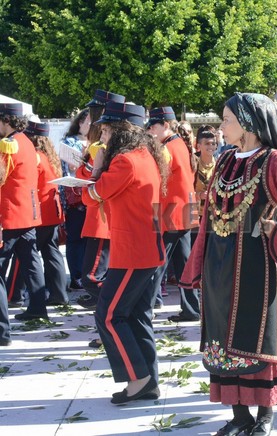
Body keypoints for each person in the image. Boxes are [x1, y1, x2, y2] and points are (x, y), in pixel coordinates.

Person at [179, 93, 277, 436]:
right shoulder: (226, 159)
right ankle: (240, 416)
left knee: (256, 338)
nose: (221, 126)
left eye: (227, 120)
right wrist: (199, 259)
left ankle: (265, 417)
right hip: (218, 265)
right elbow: (210, 214)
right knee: (222, 339)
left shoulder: (273, 161)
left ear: (248, 125)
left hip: (256, 265)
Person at [84, 101, 166, 404]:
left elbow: (91, 196)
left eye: (106, 130)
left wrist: (97, 167)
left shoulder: (125, 161)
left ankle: (138, 379)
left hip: (133, 251)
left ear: (120, 131)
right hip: (143, 249)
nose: (102, 136)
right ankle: (148, 381)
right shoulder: (143, 155)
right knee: (136, 316)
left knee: (108, 316)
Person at [0, 103, 49, 347]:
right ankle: (38, 308)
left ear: (6, 121)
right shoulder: (27, 141)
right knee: (31, 262)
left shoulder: (8, 144)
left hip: (9, 214)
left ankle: (2, 332)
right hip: (28, 213)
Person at [146, 106, 200, 322]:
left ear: (165, 125)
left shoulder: (167, 147)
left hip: (172, 212)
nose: (150, 130)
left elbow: (155, 177)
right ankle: (191, 309)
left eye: (154, 126)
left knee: (157, 262)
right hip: (185, 210)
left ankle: (146, 309)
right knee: (184, 263)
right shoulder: (180, 144)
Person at [75, 90, 126, 314]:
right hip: (100, 213)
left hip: (102, 214)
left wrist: (88, 167)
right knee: (98, 273)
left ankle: (116, 302)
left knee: (92, 276)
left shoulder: (104, 147)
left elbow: (93, 180)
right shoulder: (99, 144)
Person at [22, 121, 68, 305]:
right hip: (52, 210)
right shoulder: (49, 155)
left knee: (32, 254)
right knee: (51, 253)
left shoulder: (35, 156)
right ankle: (59, 294)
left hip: (41, 211)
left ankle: (21, 293)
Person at [60, 109, 90, 291]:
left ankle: (87, 275)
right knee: (75, 238)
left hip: (93, 196)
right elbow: (70, 167)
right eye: (87, 122)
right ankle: (76, 276)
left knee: (89, 240)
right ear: (80, 123)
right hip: (76, 197)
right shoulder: (70, 142)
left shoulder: (98, 141)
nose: (90, 125)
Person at [194, 125, 217, 223]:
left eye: (213, 144)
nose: (211, 146)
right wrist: (199, 195)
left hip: (213, 213)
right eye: (207, 143)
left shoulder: (220, 164)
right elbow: (185, 189)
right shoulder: (193, 163)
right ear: (199, 146)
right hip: (194, 213)